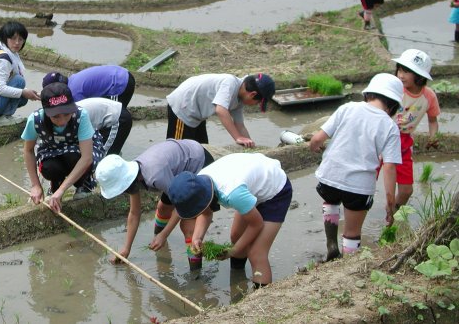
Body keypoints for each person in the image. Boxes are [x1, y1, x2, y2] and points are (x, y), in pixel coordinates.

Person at [309, 73, 403, 261]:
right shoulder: (390, 126)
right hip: (358, 186)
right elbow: (389, 166)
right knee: (352, 232)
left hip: (330, 177)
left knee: (331, 202)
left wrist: (315, 147)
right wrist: (390, 199)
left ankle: (331, 244)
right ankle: (346, 266)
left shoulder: (347, 108)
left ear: (368, 95)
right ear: (393, 105)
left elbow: (318, 138)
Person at [168, 152, 292, 287]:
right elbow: (205, 213)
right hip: (251, 184)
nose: (196, 213)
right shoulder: (198, 183)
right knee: (236, 237)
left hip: (275, 191)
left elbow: (256, 224)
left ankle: (260, 302)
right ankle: (238, 280)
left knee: (256, 252)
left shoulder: (232, 194)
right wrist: (197, 238)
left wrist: (232, 251)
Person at [95, 139, 214, 269]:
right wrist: (126, 249)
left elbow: (181, 206)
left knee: (188, 227)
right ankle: (157, 241)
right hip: (176, 172)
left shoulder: (156, 176)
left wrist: (164, 234)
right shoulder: (133, 178)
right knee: (162, 209)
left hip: (197, 164)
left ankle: (195, 275)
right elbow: (134, 213)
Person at [23, 82, 105, 211]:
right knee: (49, 168)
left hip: (79, 151)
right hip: (52, 150)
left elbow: (87, 157)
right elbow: (28, 151)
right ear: (46, 111)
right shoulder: (35, 120)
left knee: (73, 156)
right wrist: (35, 185)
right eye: (55, 117)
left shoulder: (81, 115)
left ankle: (83, 183)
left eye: (67, 114)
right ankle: (55, 184)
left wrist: (62, 191)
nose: (62, 121)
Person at [166, 73, 275, 147]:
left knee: (202, 150)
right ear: (252, 94)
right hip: (182, 107)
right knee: (179, 151)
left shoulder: (239, 99)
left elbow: (240, 125)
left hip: (197, 114)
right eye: (257, 102)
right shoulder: (230, 83)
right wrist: (237, 137)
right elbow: (221, 110)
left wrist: (250, 145)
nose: (255, 105)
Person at [392, 49, 440, 208]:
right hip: (383, 136)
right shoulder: (394, 88)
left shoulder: (429, 96)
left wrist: (433, 137)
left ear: (419, 76)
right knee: (368, 178)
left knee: (406, 190)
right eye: (399, 69)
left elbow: (432, 120)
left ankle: (392, 215)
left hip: (404, 142)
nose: (400, 75)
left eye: (406, 72)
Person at [42, 65, 135, 107]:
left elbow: (84, 113)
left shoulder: (74, 93)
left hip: (119, 84)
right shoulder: (73, 80)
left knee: (114, 114)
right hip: (121, 73)